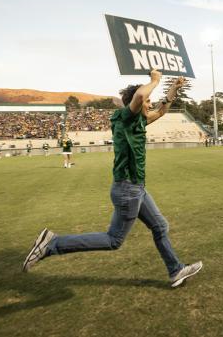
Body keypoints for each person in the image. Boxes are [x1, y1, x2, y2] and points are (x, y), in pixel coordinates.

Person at [22, 70, 202, 287]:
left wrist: (173, 88)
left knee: (160, 227)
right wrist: (155, 80)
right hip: (128, 190)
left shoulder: (140, 121)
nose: (149, 105)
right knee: (113, 240)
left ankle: (176, 270)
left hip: (136, 188)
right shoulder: (126, 117)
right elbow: (137, 98)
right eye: (147, 101)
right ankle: (52, 244)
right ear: (137, 103)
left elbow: (162, 111)